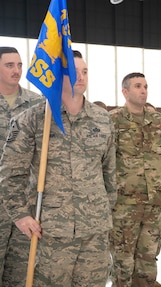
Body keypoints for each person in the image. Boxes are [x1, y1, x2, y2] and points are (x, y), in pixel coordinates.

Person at [0, 50, 117, 286]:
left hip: (94, 232)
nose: (81, 77)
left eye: (85, 72)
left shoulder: (103, 120)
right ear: (56, 76)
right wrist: (21, 215)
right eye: (74, 72)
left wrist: (105, 210)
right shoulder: (33, 119)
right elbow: (11, 174)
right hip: (50, 231)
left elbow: (109, 173)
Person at [109, 72, 161, 287]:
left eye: (145, 86)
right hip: (123, 203)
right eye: (138, 86)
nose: (143, 90)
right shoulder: (113, 120)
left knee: (149, 255)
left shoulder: (158, 120)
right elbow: (104, 161)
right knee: (123, 256)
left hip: (155, 201)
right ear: (125, 92)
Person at [0, 46, 44, 286]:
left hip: (24, 202)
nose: (16, 71)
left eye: (19, 65)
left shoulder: (37, 104)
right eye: (9, 65)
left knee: (21, 271)